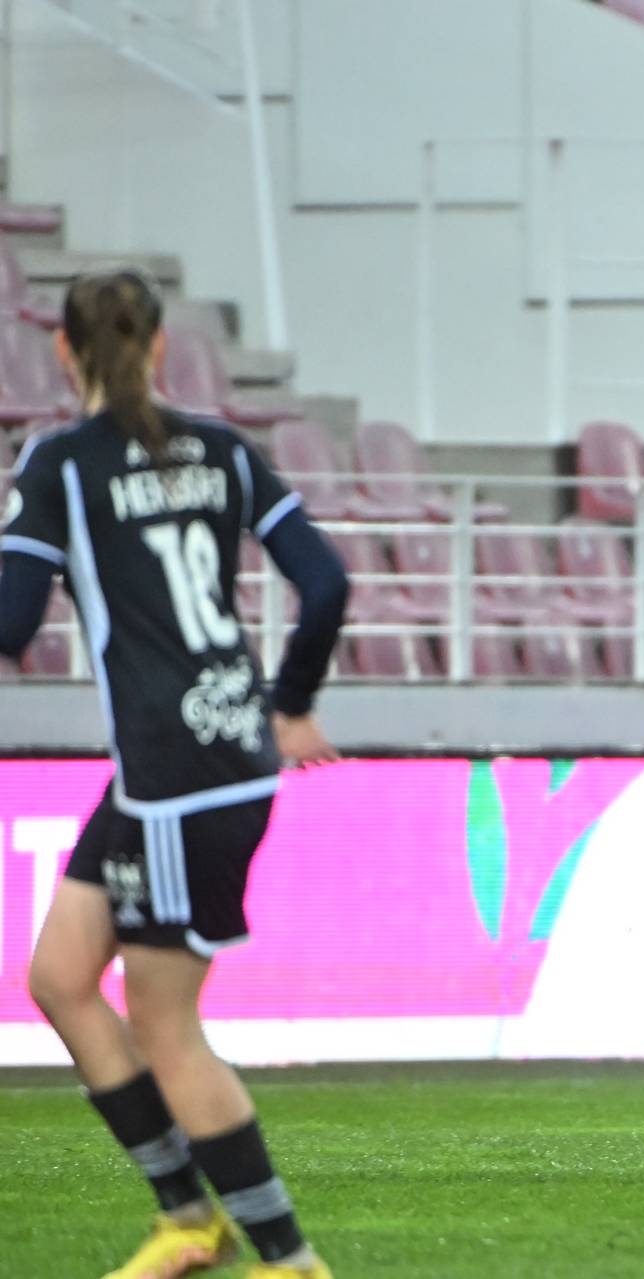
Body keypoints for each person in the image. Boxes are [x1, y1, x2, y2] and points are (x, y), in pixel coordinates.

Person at [2, 272, 349, 1278]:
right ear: (159, 349)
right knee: (60, 978)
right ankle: (188, 1218)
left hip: (173, 777)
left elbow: (13, 623)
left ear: (62, 352)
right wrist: (290, 700)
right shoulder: (224, 449)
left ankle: (287, 1258)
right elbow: (326, 580)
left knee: (165, 1024)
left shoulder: (62, 463)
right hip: (204, 759)